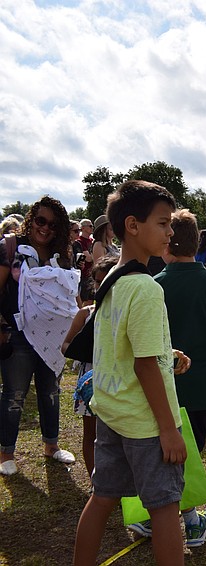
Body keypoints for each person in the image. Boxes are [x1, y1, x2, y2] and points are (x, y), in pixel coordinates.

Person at [73, 180, 187, 565]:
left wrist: (166, 354)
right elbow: (142, 365)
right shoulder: (146, 287)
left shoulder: (112, 278)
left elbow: (124, 347)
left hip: (112, 411)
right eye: (163, 222)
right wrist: (169, 429)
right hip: (147, 424)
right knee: (165, 508)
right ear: (133, 226)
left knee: (102, 498)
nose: (170, 231)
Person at [134, 208, 206, 547]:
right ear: (198, 244)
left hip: (158, 388)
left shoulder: (153, 285)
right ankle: (188, 521)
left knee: (159, 453)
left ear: (167, 244)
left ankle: (151, 516)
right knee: (190, 455)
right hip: (200, 389)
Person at [0, 196, 78, 476]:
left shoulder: (63, 257)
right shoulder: (9, 248)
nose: (45, 228)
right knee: (14, 394)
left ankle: (51, 445)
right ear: (31, 219)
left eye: (53, 224)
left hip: (52, 336)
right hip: (18, 335)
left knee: (50, 392)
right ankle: (6, 453)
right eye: (40, 221)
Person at [62, 255, 119, 478]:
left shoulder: (126, 313)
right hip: (91, 380)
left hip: (119, 380)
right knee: (92, 434)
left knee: (119, 434)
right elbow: (65, 346)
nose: (100, 286)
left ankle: (119, 485)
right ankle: (97, 481)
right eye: (96, 281)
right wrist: (84, 348)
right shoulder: (85, 314)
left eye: (106, 281)